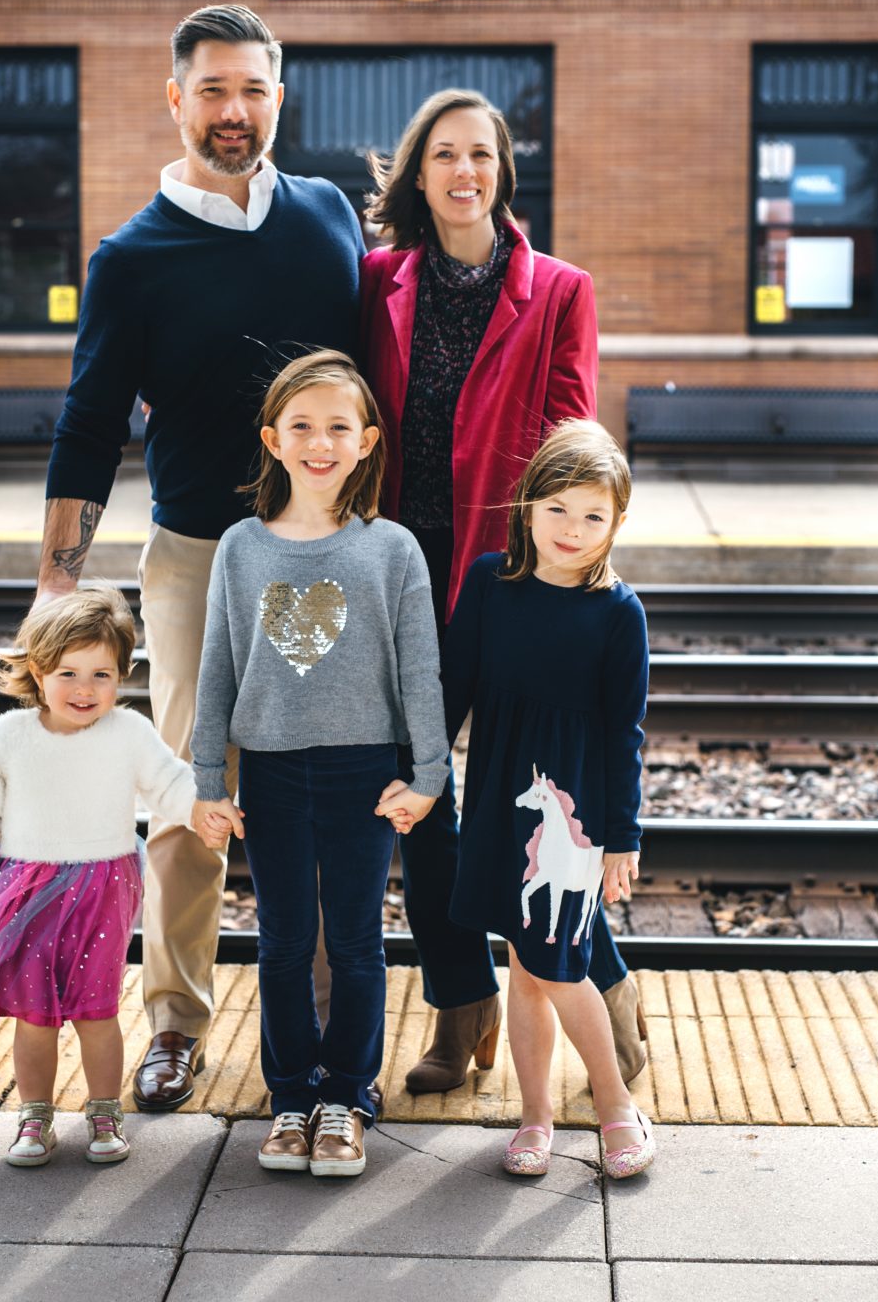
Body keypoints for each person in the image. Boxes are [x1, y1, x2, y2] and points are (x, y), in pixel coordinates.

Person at [37, 5, 363, 1111]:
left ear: (280, 97)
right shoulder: (132, 259)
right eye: (213, 90)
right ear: (175, 100)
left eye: (254, 90)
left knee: (327, 788)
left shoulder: (327, 218)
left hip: (328, 556)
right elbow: (87, 423)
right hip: (194, 559)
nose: (235, 111)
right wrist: (57, 581)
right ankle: (175, 1022)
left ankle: (325, 1017)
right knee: (187, 794)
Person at [360, 88, 646, 1094]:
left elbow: (572, 443)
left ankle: (605, 984)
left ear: (502, 171)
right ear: (419, 172)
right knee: (422, 798)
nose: (464, 171)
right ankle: (460, 1004)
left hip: (510, 577)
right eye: (444, 154)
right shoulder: (379, 280)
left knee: (538, 807)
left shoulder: (560, 290)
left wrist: (564, 569)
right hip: (402, 574)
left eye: (481, 154)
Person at [191, 350, 448, 1177]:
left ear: (368, 440)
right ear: (272, 439)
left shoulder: (392, 550)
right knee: (282, 942)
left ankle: (346, 1096)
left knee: (356, 941)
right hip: (268, 772)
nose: (320, 442)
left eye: (339, 426)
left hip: (364, 774)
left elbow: (419, 672)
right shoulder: (239, 547)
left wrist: (430, 776)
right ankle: (290, 1100)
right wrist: (207, 780)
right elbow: (217, 668)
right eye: (301, 426)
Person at [430, 419, 655, 1180]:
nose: (572, 528)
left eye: (593, 516)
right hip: (502, 800)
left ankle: (616, 1104)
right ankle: (535, 1117)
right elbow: (452, 690)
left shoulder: (618, 613)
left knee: (556, 963)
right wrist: (424, 774)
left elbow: (625, 733)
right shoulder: (490, 584)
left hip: (579, 813)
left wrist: (621, 836)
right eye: (556, 507)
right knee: (523, 966)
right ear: (526, 504)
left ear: (615, 525)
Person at [0, 585, 215, 1168]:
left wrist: (203, 809)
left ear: (123, 675)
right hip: (23, 891)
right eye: (68, 673)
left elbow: (169, 782)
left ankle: (104, 1111)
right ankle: (35, 1117)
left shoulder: (127, 733)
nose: (85, 690)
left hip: (102, 890)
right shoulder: (10, 734)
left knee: (96, 1009)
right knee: (34, 1014)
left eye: (102, 675)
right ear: (36, 669)